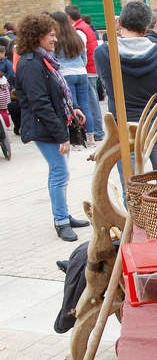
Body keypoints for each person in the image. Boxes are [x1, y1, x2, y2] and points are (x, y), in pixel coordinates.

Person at [14, 13, 91, 241]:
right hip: (44, 128)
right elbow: (40, 103)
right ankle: (60, 221)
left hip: (52, 125)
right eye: (51, 35)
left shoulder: (43, 59)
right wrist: (61, 136)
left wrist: (74, 107)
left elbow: (59, 88)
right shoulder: (30, 64)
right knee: (60, 172)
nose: (55, 39)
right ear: (37, 36)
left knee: (59, 172)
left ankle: (63, 214)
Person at [94, 1, 157, 170]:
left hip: (124, 124)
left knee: (131, 188)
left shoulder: (104, 54)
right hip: (156, 122)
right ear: (146, 29)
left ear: (120, 23)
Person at [51, 11, 96, 147]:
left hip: (65, 74)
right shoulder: (76, 36)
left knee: (72, 107)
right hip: (81, 73)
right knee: (85, 106)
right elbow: (84, 57)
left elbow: (53, 59)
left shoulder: (56, 38)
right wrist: (80, 65)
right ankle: (91, 137)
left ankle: (78, 138)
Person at [65, 5, 103, 141]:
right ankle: (96, 131)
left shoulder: (79, 30)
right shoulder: (84, 27)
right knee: (91, 102)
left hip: (86, 69)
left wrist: (82, 64)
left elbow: (82, 52)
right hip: (88, 68)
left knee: (90, 103)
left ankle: (97, 132)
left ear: (68, 17)